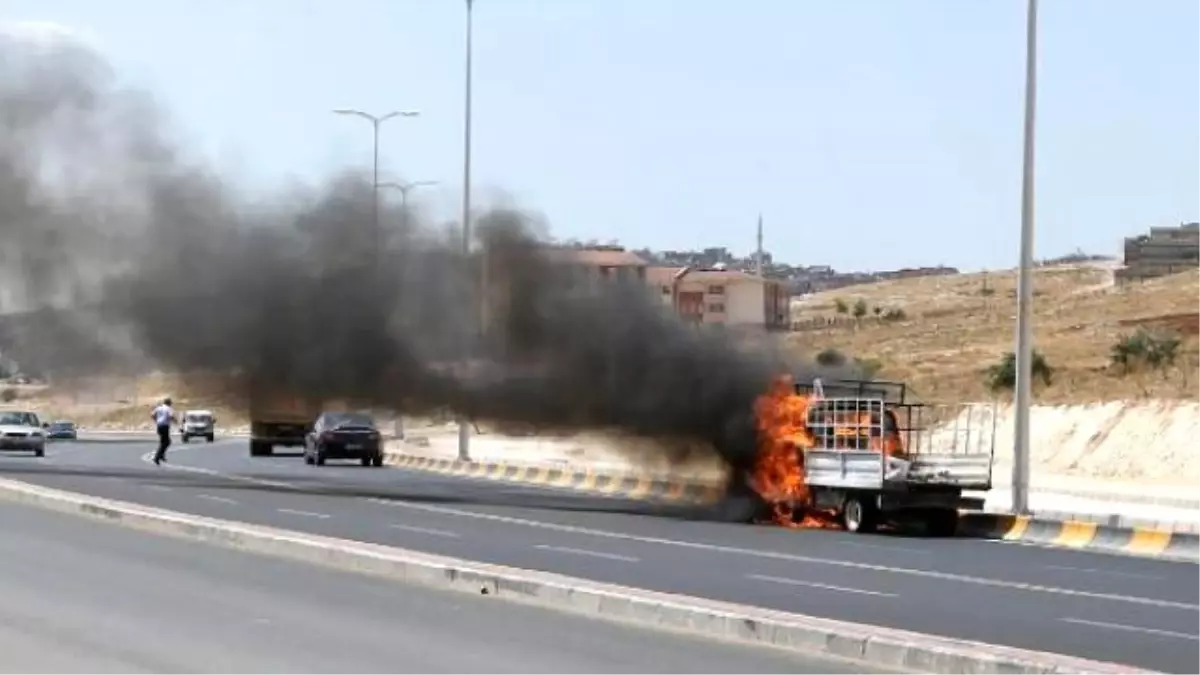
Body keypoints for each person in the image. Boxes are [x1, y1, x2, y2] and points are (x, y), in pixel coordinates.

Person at [151, 397, 176, 465]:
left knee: (163, 442)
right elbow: (171, 416)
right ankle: (157, 457)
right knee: (166, 442)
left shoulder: (159, 408)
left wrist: (156, 420)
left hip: (159, 426)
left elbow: (152, 415)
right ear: (169, 403)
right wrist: (175, 421)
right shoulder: (168, 408)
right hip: (165, 426)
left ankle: (161, 455)